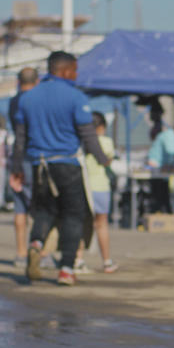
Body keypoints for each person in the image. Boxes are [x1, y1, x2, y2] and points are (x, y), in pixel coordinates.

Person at [11, 51, 111, 287]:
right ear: (65, 70)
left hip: (39, 166)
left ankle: (35, 243)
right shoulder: (76, 98)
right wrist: (103, 159)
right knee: (73, 215)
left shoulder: (27, 98)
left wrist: (17, 168)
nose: (76, 75)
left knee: (45, 211)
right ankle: (66, 268)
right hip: (67, 164)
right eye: (75, 70)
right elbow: (88, 134)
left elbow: (20, 139)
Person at [8, 67, 39, 267]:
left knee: (20, 207)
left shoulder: (14, 101)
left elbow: (16, 133)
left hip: (18, 155)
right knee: (38, 206)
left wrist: (15, 164)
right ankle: (38, 251)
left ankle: (20, 253)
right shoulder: (36, 100)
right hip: (34, 154)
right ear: (37, 81)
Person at [85, 112, 118, 273]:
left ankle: (77, 260)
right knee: (102, 225)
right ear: (102, 127)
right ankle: (106, 262)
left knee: (81, 224)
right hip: (101, 187)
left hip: (84, 186)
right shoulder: (106, 142)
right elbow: (108, 161)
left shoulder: (82, 142)